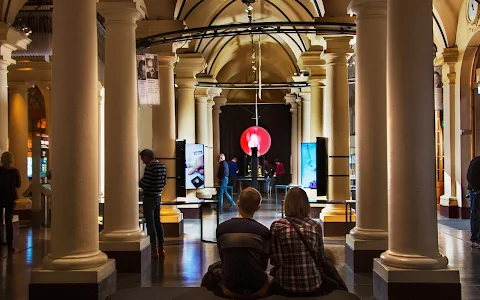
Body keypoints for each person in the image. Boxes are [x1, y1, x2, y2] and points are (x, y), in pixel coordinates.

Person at [270, 187, 345, 296]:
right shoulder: (315, 225)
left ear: (286, 204)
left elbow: (274, 259)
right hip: (313, 285)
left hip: (286, 285)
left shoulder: (277, 226)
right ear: (306, 205)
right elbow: (320, 256)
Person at [216, 188, 270, 298]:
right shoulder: (263, 231)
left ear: (238, 204)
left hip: (230, 290)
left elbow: (224, 258)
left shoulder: (221, 229)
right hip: (258, 289)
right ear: (258, 207)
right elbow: (263, 265)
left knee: (213, 269)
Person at [139, 149, 167, 259]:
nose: (142, 161)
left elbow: (145, 184)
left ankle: (153, 249)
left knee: (150, 224)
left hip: (149, 197)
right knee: (157, 222)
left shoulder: (149, 167)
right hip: (158, 196)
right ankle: (161, 247)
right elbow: (164, 182)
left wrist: (139, 181)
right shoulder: (162, 166)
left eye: (142, 158)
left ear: (147, 157)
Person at [0, 152, 21, 253]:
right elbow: (18, 185)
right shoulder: (15, 171)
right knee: (9, 221)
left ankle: (0, 240)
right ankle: (10, 245)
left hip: (0, 196)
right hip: (10, 197)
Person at [467, 155, 480, 248]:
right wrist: (476, 190)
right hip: (476, 192)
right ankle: (475, 239)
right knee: (476, 215)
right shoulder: (477, 161)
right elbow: (470, 176)